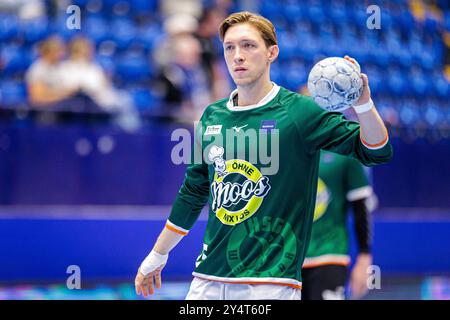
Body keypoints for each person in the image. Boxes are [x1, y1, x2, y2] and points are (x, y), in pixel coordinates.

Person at [135, 11, 393, 300]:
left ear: (272, 52)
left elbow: (377, 151)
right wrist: (157, 255)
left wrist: (363, 104)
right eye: (229, 47)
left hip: (271, 285)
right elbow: (193, 193)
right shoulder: (211, 116)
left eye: (248, 45)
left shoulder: (301, 112)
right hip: (206, 282)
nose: (237, 56)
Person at [302, 150, 376, 300]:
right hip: (285, 262)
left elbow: (361, 209)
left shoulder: (346, 152)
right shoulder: (285, 147)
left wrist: (364, 258)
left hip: (329, 256)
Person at [25, 35, 78, 108]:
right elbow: (37, 98)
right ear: (49, 52)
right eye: (58, 51)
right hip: (46, 111)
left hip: (62, 107)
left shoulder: (59, 67)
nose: (62, 54)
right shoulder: (38, 69)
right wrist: (63, 95)